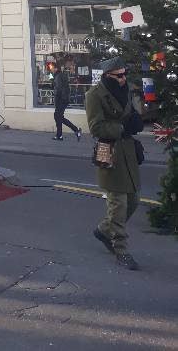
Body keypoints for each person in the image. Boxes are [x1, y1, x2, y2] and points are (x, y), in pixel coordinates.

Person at [85, 56, 144, 271]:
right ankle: (121, 250)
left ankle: (103, 230)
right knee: (118, 205)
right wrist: (122, 128)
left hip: (128, 152)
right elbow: (96, 127)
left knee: (134, 200)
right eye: (119, 75)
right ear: (107, 75)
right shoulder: (95, 95)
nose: (123, 78)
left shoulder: (127, 90)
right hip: (110, 153)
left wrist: (137, 119)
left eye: (125, 74)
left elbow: (133, 112)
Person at [51, 59, 81, 141]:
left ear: (56, 68)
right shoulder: (58, 75)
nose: (51, 69)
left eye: (52, 68)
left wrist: (57, 100)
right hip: (63, 99)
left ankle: (74, 130)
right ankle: (60, 135)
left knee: (58, 116)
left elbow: (58, 89)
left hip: (61, 99)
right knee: (58, 117)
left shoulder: (58, 76)